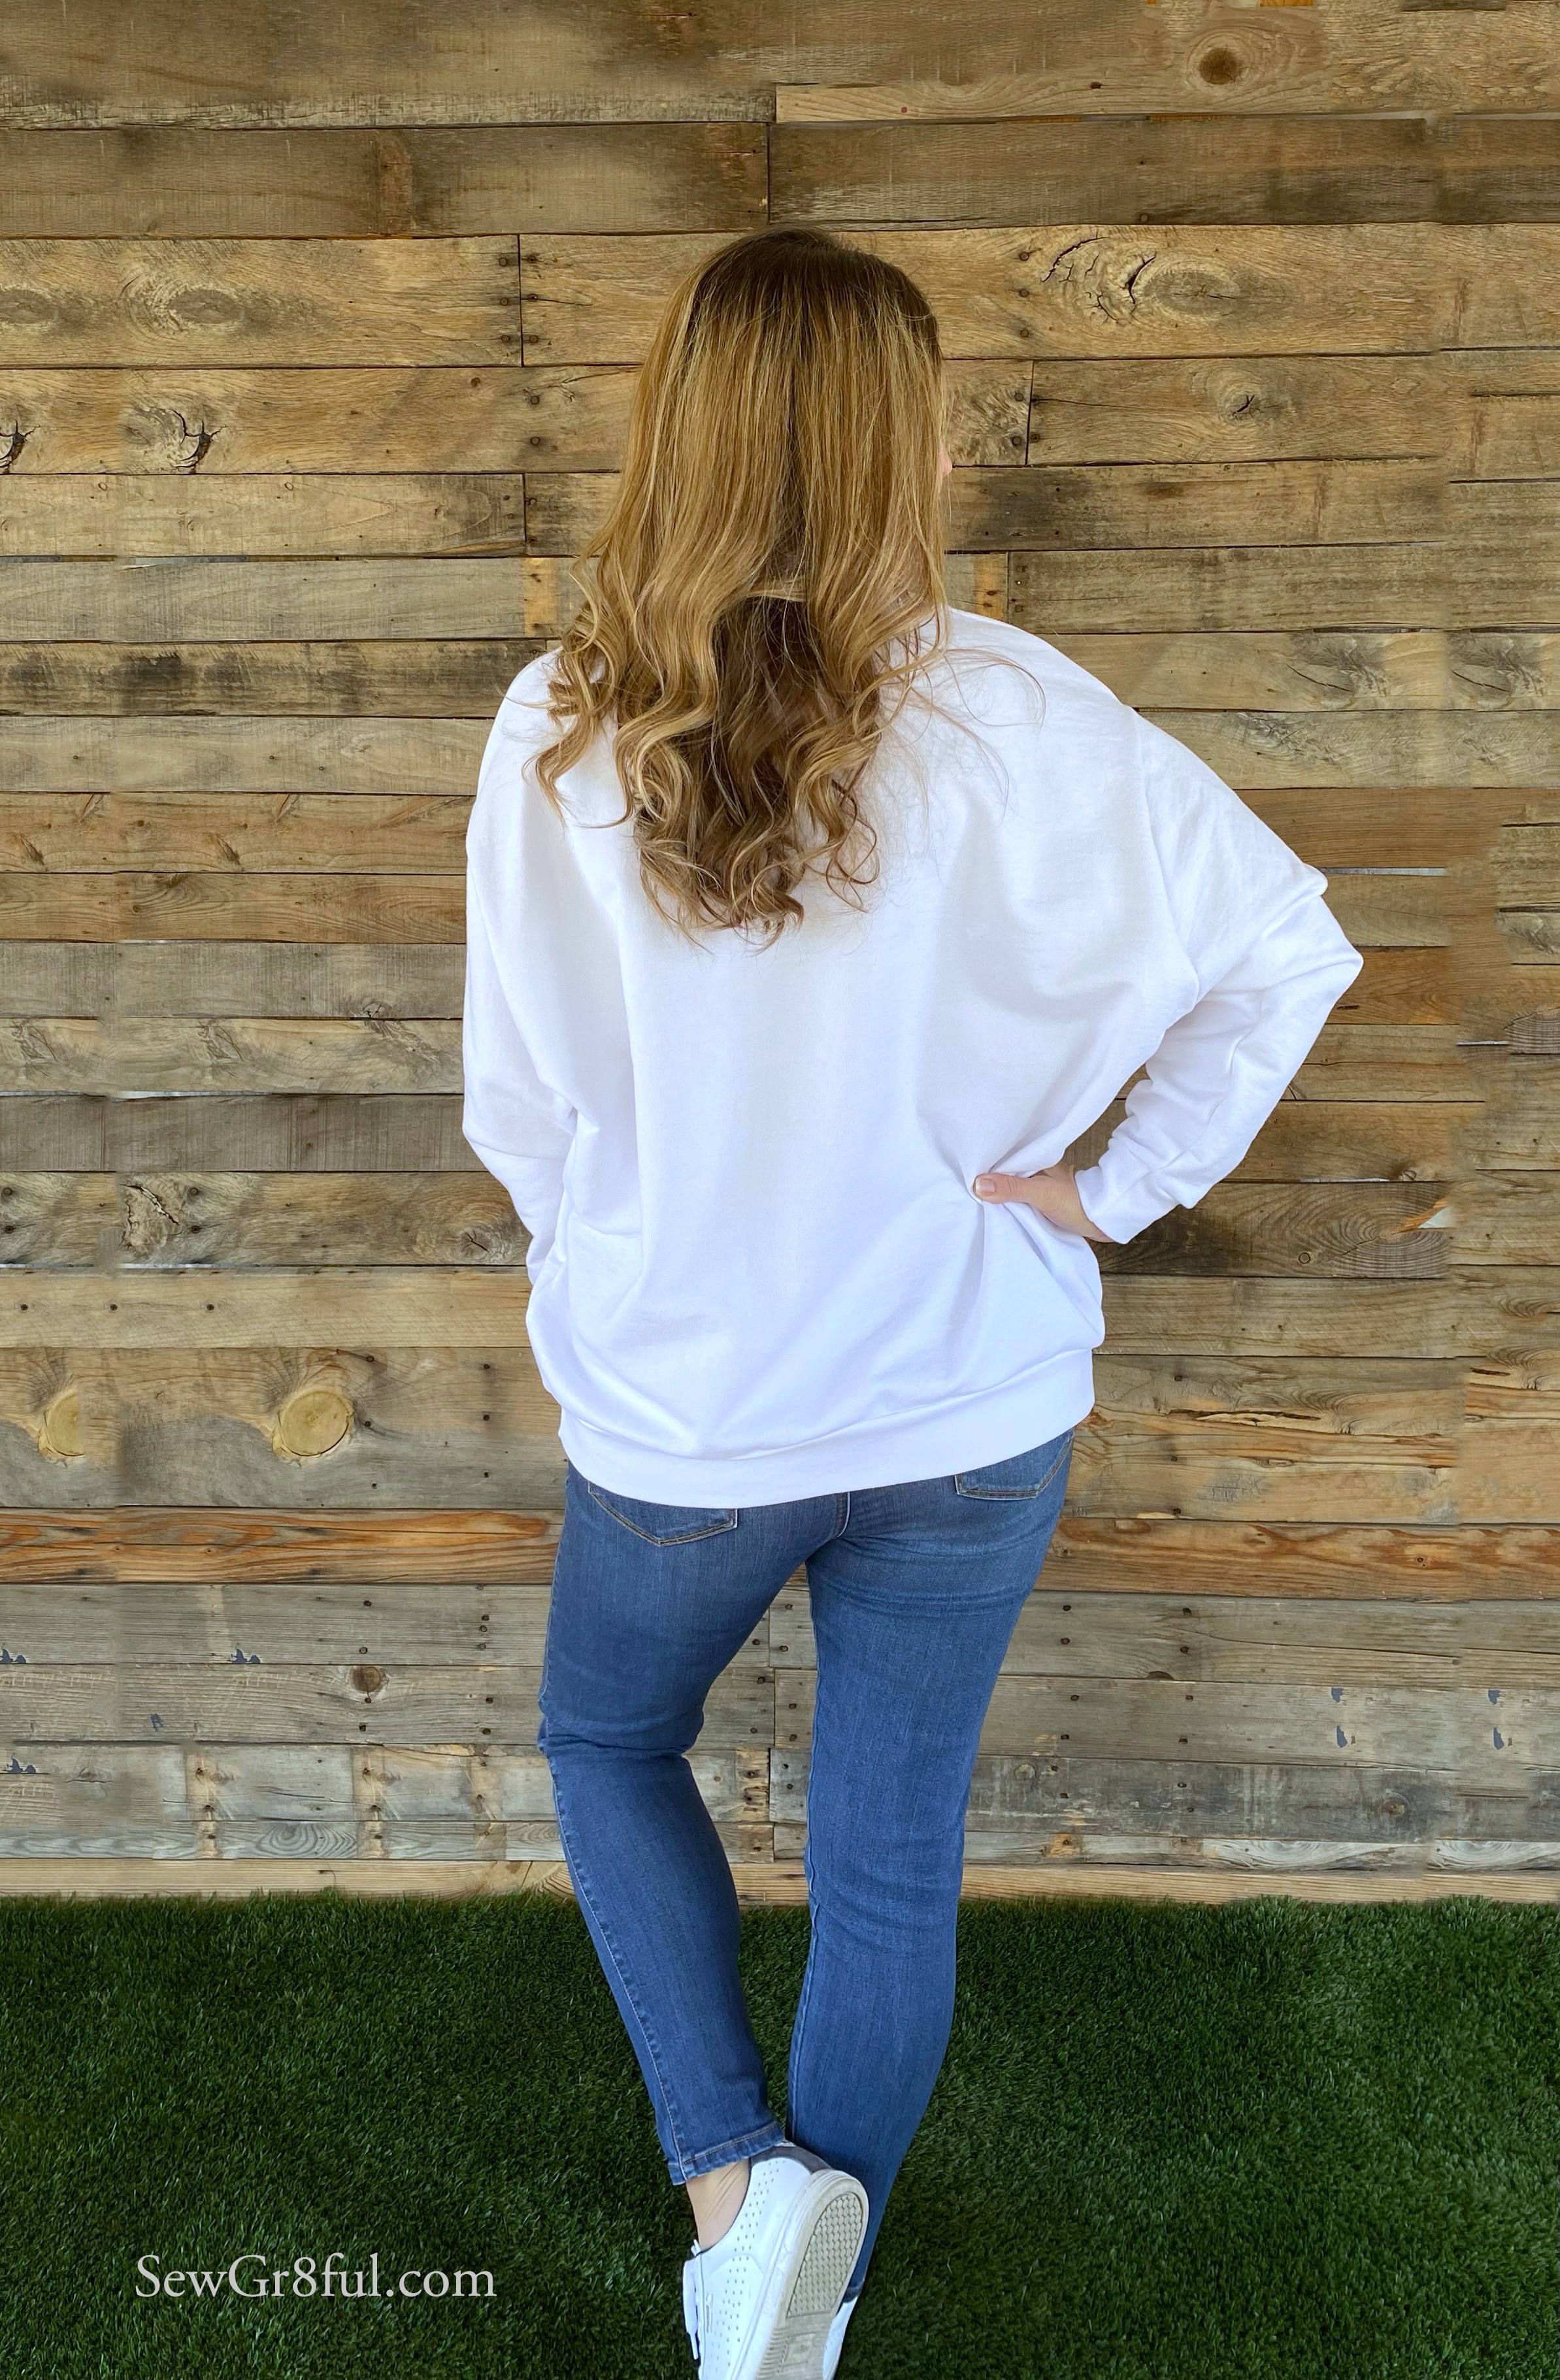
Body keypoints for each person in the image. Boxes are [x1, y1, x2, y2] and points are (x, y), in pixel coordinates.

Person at [461, 226, 1362, 2380]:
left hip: (688, 1407)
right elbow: (1288, 949)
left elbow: (520, 1099)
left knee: (607, 1738)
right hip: (970, 1404)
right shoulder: (1022, 709)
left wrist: (600, 1258)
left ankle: (733, 2190)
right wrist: (1104, 1192)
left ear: (680, 427)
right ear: (896, 445)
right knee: (887, 1856)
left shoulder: (565, 725)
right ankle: (806, 2288)